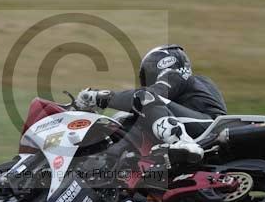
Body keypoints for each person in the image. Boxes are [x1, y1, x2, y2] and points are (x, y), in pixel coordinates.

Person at [75, 44, 227, 163]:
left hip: (208, 128)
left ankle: (183, 142)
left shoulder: (176, 75)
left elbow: (148, 95)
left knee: (145, 98)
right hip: (208, 127)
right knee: (129, 115)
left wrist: (98, 97)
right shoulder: (194, 83)